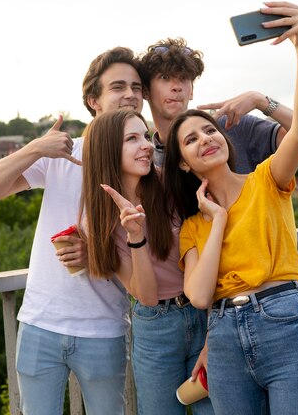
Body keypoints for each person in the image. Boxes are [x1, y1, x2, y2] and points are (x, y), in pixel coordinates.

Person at [163, 3, 298, 414]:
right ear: (184, 164)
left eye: (210, 129)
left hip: (286, 322)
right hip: (223, 340)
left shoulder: (266, 179)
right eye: (191, 140)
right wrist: (218, 219)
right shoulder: (193, 226)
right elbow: (200, 295)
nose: (205, 138)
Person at [0, 46, 144, 415]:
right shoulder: (63, 157)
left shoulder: (143, 163)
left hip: (103, 329)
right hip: (40, 323)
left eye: (137, 86)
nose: (130, 94)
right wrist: (35, 147)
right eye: (118, 86)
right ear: (93, 100)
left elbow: (150, 255)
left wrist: (97, 255)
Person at [79, 108, 214, 415]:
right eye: (132, 138)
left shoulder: (174, 185)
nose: (146, 144)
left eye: (144, 135)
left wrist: (213, 335)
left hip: (205, 312)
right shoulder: (98, 221)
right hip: (155, 327)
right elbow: (148, 296)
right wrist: (135, 236)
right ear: (107, 150)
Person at [139, 37, 298, 172]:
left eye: (183, 78)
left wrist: (260, 101)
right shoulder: (145, 157)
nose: (176, 87)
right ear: (145, 91)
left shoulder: (230, 126)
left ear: (192, 90)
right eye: (165, 78)